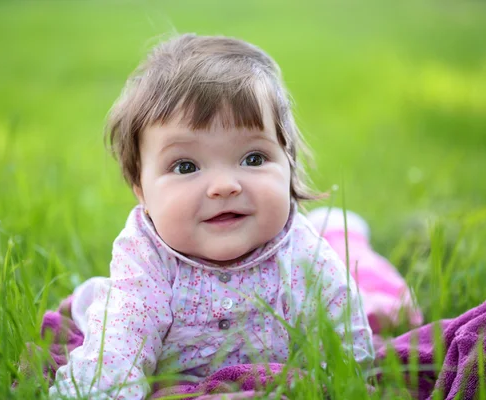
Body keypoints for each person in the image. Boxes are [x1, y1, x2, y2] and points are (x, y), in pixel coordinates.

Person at [49, 33, 375, 399]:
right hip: (169, 365)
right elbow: (118, 348)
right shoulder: (146, 257)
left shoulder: (300, 251)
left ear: (288, 165)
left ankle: (348, 233)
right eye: (186, 166)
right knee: (105, 315)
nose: (223, 186)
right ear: (141, 190)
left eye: (253, 159)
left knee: (372, 283)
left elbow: (343, 336)